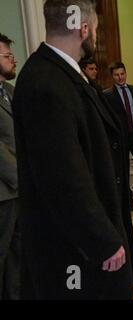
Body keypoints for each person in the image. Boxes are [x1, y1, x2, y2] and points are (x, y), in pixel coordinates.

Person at [12, 0, 133, 299]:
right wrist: (102, 239)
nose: (96, 37)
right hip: (74, 249)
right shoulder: (46, 83)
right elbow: (63, 177)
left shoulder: (65, 75)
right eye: (96, 30)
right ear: (84, 29)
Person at [104, 62, 133, 211]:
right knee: (123, 170)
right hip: (120, 139)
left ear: (125, 73)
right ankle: (128, 197)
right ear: (112, 76)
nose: (120, 77)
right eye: (116, 74)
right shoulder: (107, 95)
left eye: (122, 73)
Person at [0, 33, 20, 300]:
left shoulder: (11, 92)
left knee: (18, 254)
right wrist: (22, 177)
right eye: (7, 56)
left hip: (19, 191)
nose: (14, 60)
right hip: (4, 193)